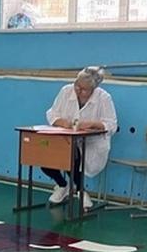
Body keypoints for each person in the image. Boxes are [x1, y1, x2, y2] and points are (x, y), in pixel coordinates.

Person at [44, 66, 117, 210]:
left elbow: (112, 125)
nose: (78, 90)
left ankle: (80, 190)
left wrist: (92, 124)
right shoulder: (66, 91)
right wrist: (63, 122)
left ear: (93, 89)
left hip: (91, 143)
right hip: (65, 138)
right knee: (44, 156)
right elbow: (52, 114)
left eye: (83, 89)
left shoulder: (104, 98)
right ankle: (63, 185)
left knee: (73, 156)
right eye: (77, 84)